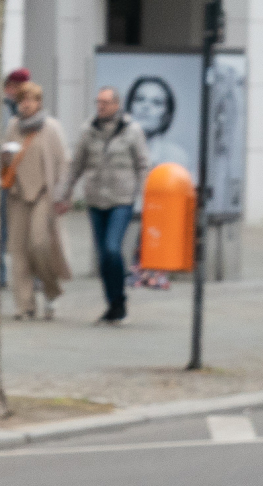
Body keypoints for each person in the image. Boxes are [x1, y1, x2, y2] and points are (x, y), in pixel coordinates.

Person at [62, 85, 151, 325]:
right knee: (103, 255)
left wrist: (144, 197)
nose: (100, 106)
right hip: (95, 199)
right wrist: (65, 192)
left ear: (116, 105)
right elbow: (76, 165)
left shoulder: (132, 131)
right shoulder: (87, 131)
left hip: (122, 199)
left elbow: (143, 164)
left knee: (113, 248)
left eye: (105, 102)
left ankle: (119, 301)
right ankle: (113, 303)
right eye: (98, 102)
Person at [2, 86, 69, 320]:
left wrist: (61, 195)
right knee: (17, 250)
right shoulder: (12, 126)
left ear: (39, 103)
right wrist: (4, 158)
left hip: (43, 194)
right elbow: (5, 161)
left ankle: (51, 291)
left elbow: (63, 163)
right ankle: (24, 306)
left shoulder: (50, 128)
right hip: (18, 194)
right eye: (22, 100)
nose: (25, 104)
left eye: (30, 100)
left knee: (39, 244)